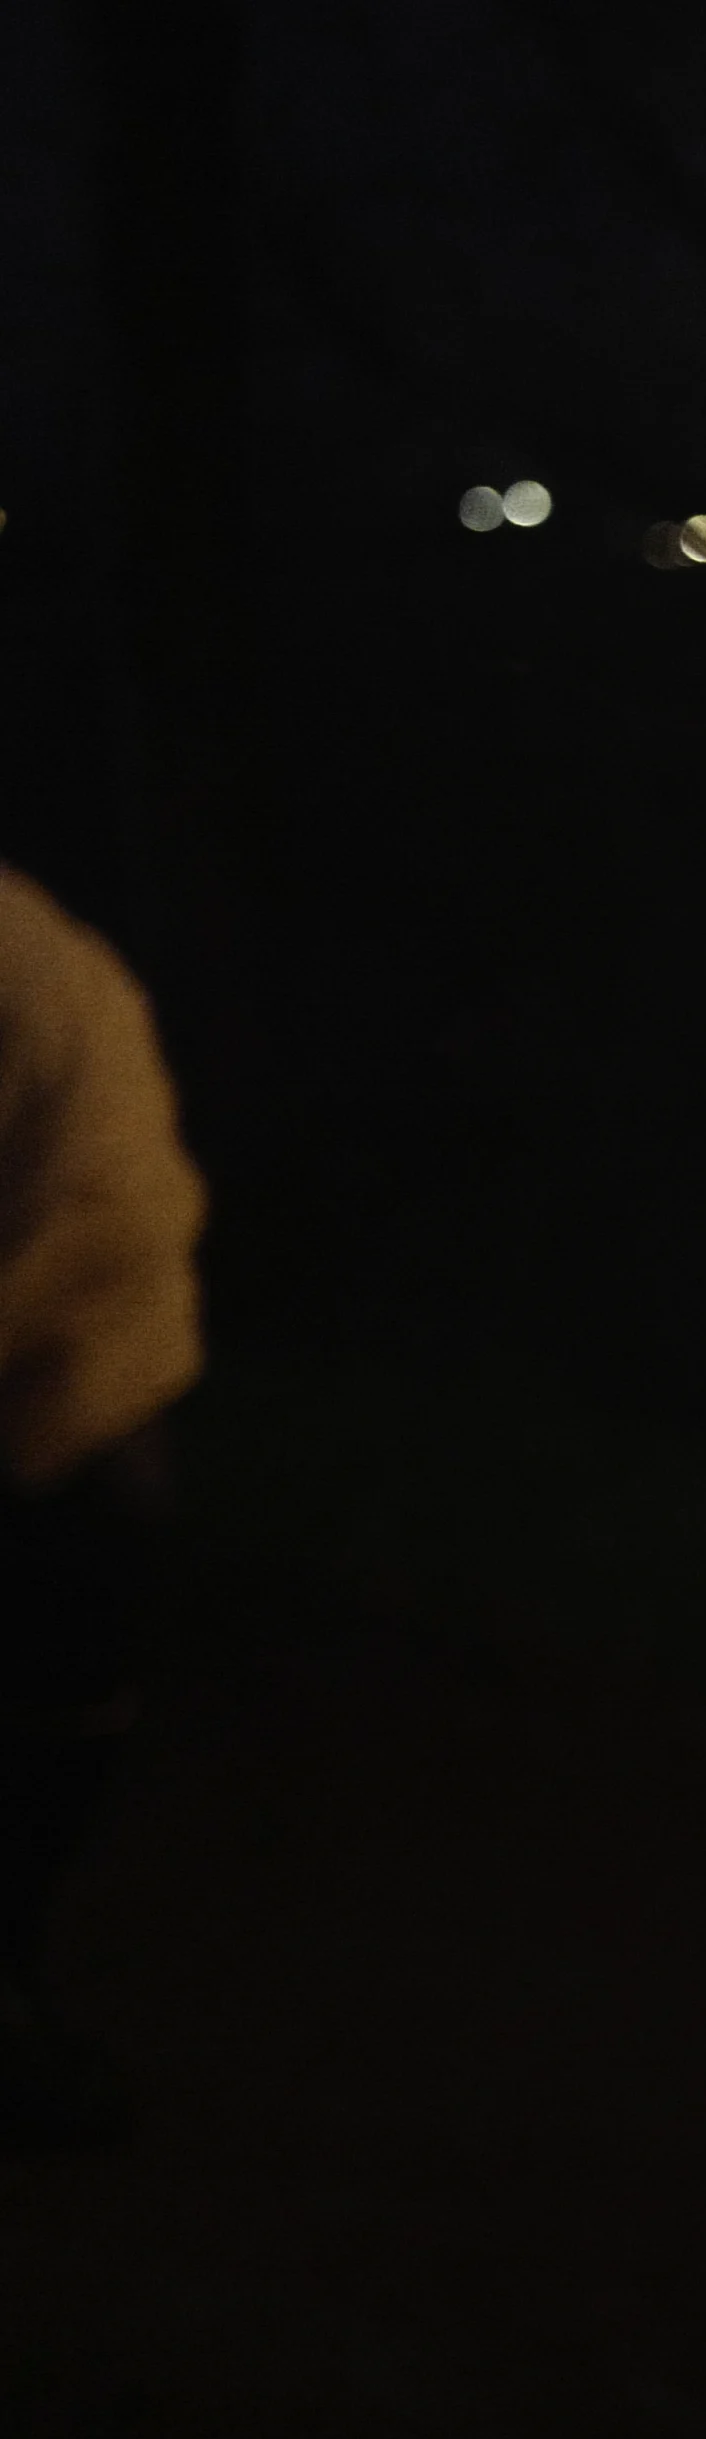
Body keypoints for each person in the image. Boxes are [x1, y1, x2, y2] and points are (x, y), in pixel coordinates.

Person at [0, 862, 204, 2153]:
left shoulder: (25, 982)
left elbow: (80, 1225)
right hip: (72, 1368)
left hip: (74, 1378)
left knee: (59, 1698)